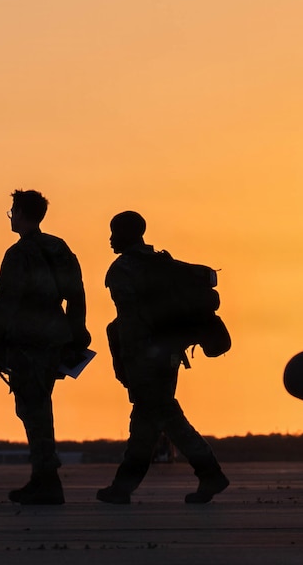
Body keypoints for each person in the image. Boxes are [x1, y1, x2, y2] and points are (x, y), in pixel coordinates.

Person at [0, 189, 90, 506]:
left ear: (20, 213)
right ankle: (43, 479)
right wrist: (76, 335)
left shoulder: (18, 254)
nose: (11, 218)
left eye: (12, 212)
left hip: (27, 341)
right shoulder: (59, 247)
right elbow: (76, 295)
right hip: (54, 339)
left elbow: (5, 304)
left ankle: (46, 480)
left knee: (33, 410)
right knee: (40, 406)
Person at [96, 210, 230, 505]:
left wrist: (125, 364)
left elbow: (130, 324)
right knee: (145, 423)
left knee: (169, 419)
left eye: (115, 232)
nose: (110, 239)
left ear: (127, 234)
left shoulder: (123, 270)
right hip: (169, 354)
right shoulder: (163, 263)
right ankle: (122, 487)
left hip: (145, 358)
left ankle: (210, 473)